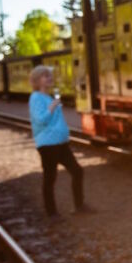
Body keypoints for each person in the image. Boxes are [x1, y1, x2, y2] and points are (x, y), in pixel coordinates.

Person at [28, 65, 90, 217]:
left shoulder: (48, 97)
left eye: (49, 76)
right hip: (47, 144)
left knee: (77, 171)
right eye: (45, 76)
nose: (49, 78)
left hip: (60, 142)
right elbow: (40, 119)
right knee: (50, 177)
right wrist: (52, 106)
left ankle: (79, 206)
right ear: (37, 80)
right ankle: (51, 212)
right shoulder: (36, 97)